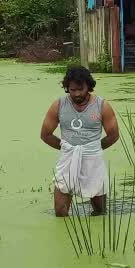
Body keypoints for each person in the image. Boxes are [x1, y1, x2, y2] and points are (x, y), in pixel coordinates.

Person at [39, 65, 119, 217]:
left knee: (100, 211)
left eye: (80, 89)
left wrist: (93, 148)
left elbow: (113, 135)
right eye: (72, 90)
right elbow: (46, 134)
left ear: (88, 86)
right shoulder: (59, 105)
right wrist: (67, 148)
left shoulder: (102, 106)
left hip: (93, 158)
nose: (76, 94)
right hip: (68, 157)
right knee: (60, 212)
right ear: (67, 87)